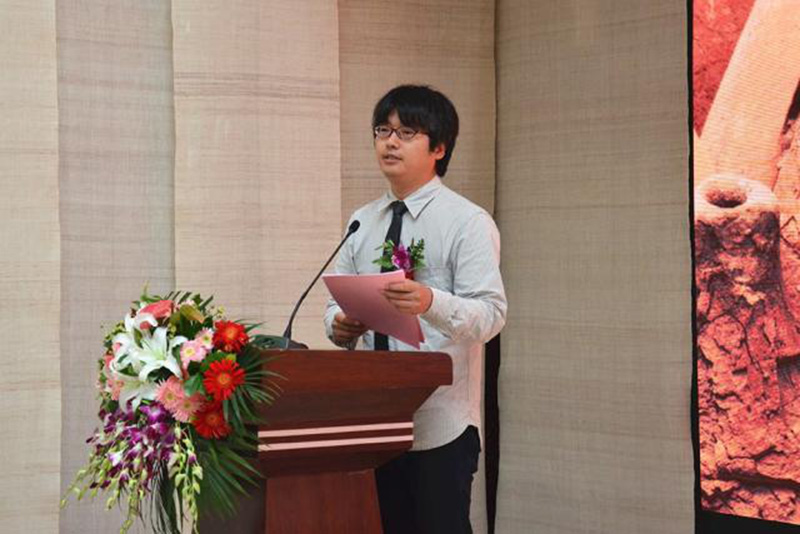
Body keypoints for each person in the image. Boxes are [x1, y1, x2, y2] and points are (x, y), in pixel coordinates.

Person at [323, 84, 507, 534]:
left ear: (439, 148)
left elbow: (491, 315)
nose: (390, 142)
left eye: (406, 133)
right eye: (382, 130)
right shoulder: (363, 221)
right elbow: (333, 305)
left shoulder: (467, 222)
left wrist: (431, 302)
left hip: (439, 423)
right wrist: (340, 324)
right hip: (372, 420)